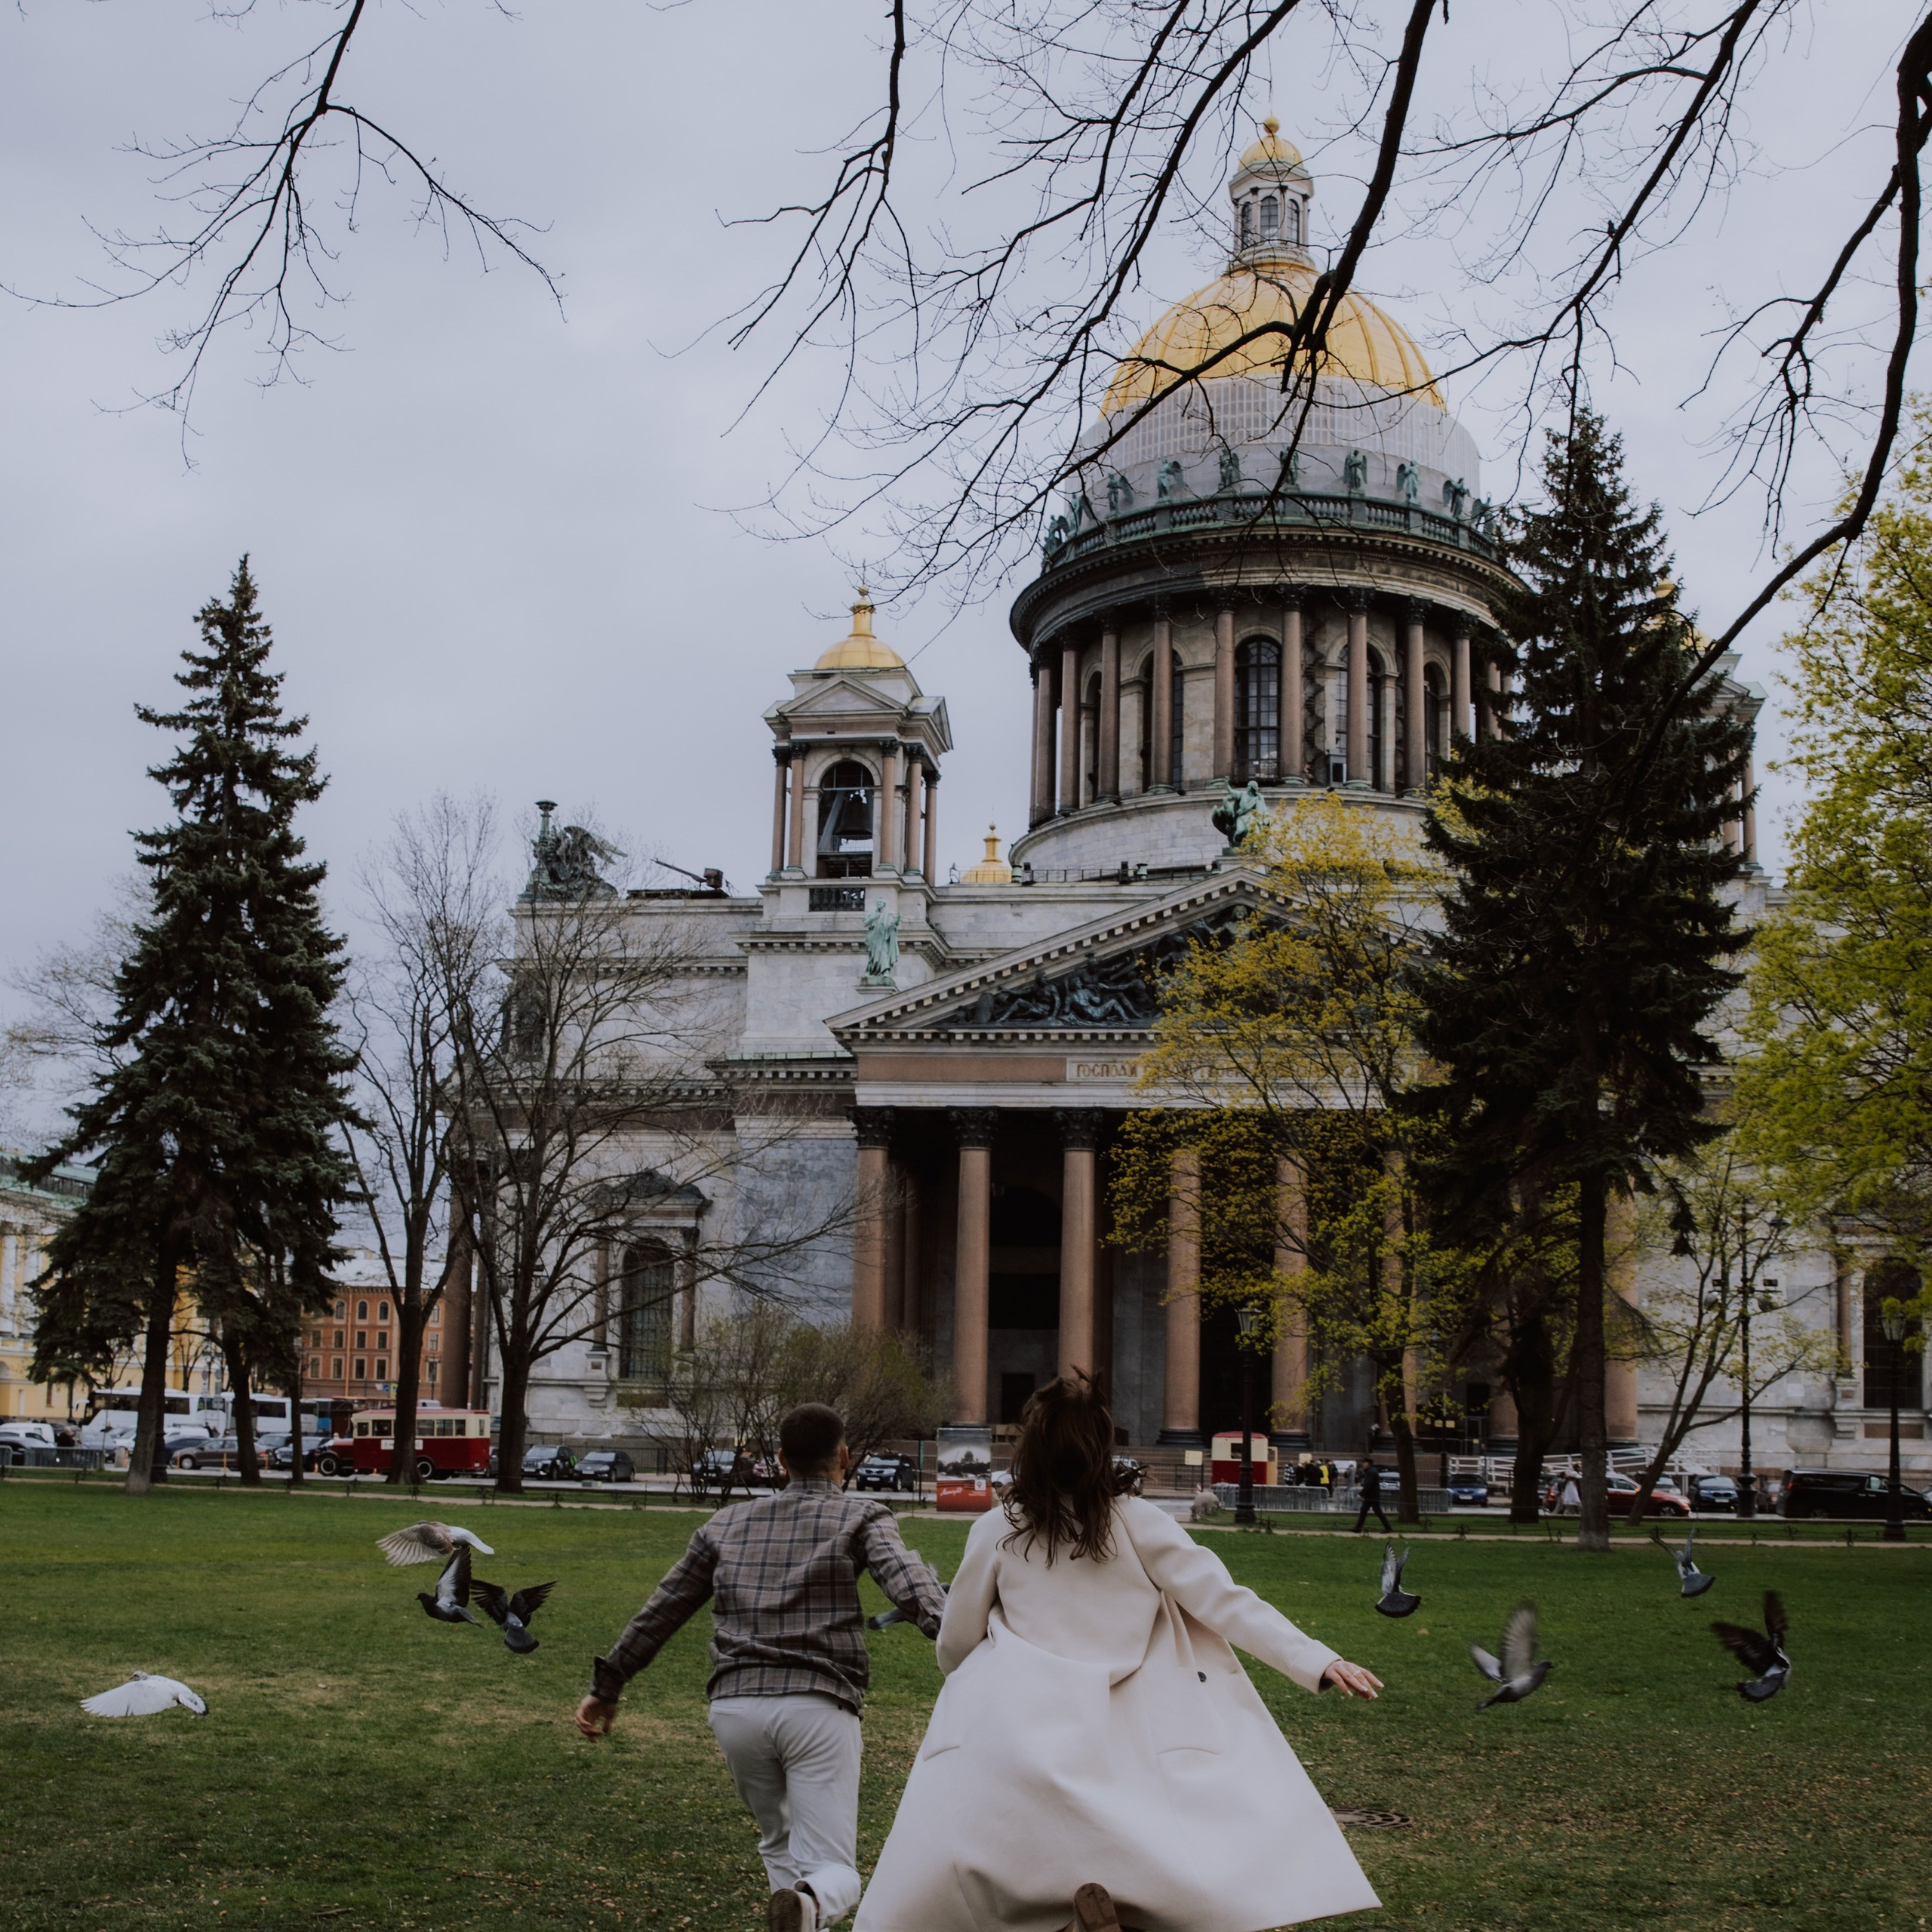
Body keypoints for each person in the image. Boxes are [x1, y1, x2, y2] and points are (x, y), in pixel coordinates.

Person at [854, 1375, 1383, 1932]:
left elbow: (957, 1641)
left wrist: (971, 1671)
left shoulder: (998, 1531)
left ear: (1029, 1450)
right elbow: (1225, 1602)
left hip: (1022, 1722)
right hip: (1137, 1718)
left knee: (978, 1837)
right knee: (1157, 1839)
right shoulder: (1139, 1522)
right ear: (1102, 1447)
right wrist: (1315, 1660)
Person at [576, 1404, 946, 1932]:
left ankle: (797, 1910)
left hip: (736, 1709)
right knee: (832, 1871)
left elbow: (663, 1609)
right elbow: (912, 1589)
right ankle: (813, 1900)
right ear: (843, 1457)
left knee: (780, 1843)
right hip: (818, 1704)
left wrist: (608, 1685)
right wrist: (970, 1643)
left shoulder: (725, 1524)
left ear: (780, 1459)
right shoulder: (862, 1515)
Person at [1352, 1453, 1392, 1534]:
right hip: (1371, 1496)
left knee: (1377, 1512)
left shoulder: (1371, 1472)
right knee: (1364, 1511)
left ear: (1368, 1464)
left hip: (1372, 1497)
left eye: (1364, 1463)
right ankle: (1358, 1528)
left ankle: (1388, 1528)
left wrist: (1361, 1494)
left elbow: (1368, 1485)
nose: (1363, 1464)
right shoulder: (1371, 1471)